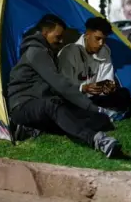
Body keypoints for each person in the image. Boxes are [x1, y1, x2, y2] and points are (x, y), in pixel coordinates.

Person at [7, 14, 121, 158]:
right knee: (54, 106)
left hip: (42, 103)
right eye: (58, 36)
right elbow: (60, 85)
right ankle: (98, 140)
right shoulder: (36, 52)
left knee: (99, 120)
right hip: (23, 105)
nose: (61, 41)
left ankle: (32, 129)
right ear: (45, 33)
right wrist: (93, 107)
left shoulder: (48, 51)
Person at [58, 17, 131, 120]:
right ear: (87, 34)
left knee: (124, 93)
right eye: (97, 38)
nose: (101, 43)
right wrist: (83, 88)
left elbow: (106, 79)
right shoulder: (70, 52)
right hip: (75, 97)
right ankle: (105, 113)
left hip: (94, 98)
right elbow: (63, 86)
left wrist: (108, 87)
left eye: (104, 39)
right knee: (70, 105)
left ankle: (102, 112)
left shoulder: (104, 51)